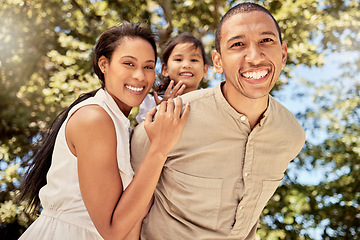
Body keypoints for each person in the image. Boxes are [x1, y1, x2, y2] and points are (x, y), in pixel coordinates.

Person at [130, 2, 306, 240]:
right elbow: (128, 201)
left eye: (266, 41)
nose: (254, 57)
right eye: (237, 44)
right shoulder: (171, 117)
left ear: (283, 54)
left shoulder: (291, 136)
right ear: (218, 61)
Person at [18, 22, 189, 240]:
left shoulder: (121, 125)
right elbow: (113, 229)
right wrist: (160, 147)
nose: (140, 76)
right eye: (128, 63)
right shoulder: (94, 119)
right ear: (104, 64)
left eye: (148, 66)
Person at [136, 32, 208, 123]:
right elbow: (142, 133)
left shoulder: (211, 103)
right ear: (165, 69)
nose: (186, 65)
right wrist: (160, 110)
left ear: (205, 70)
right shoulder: (152, 104)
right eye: (178, 59)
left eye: (194, 60)